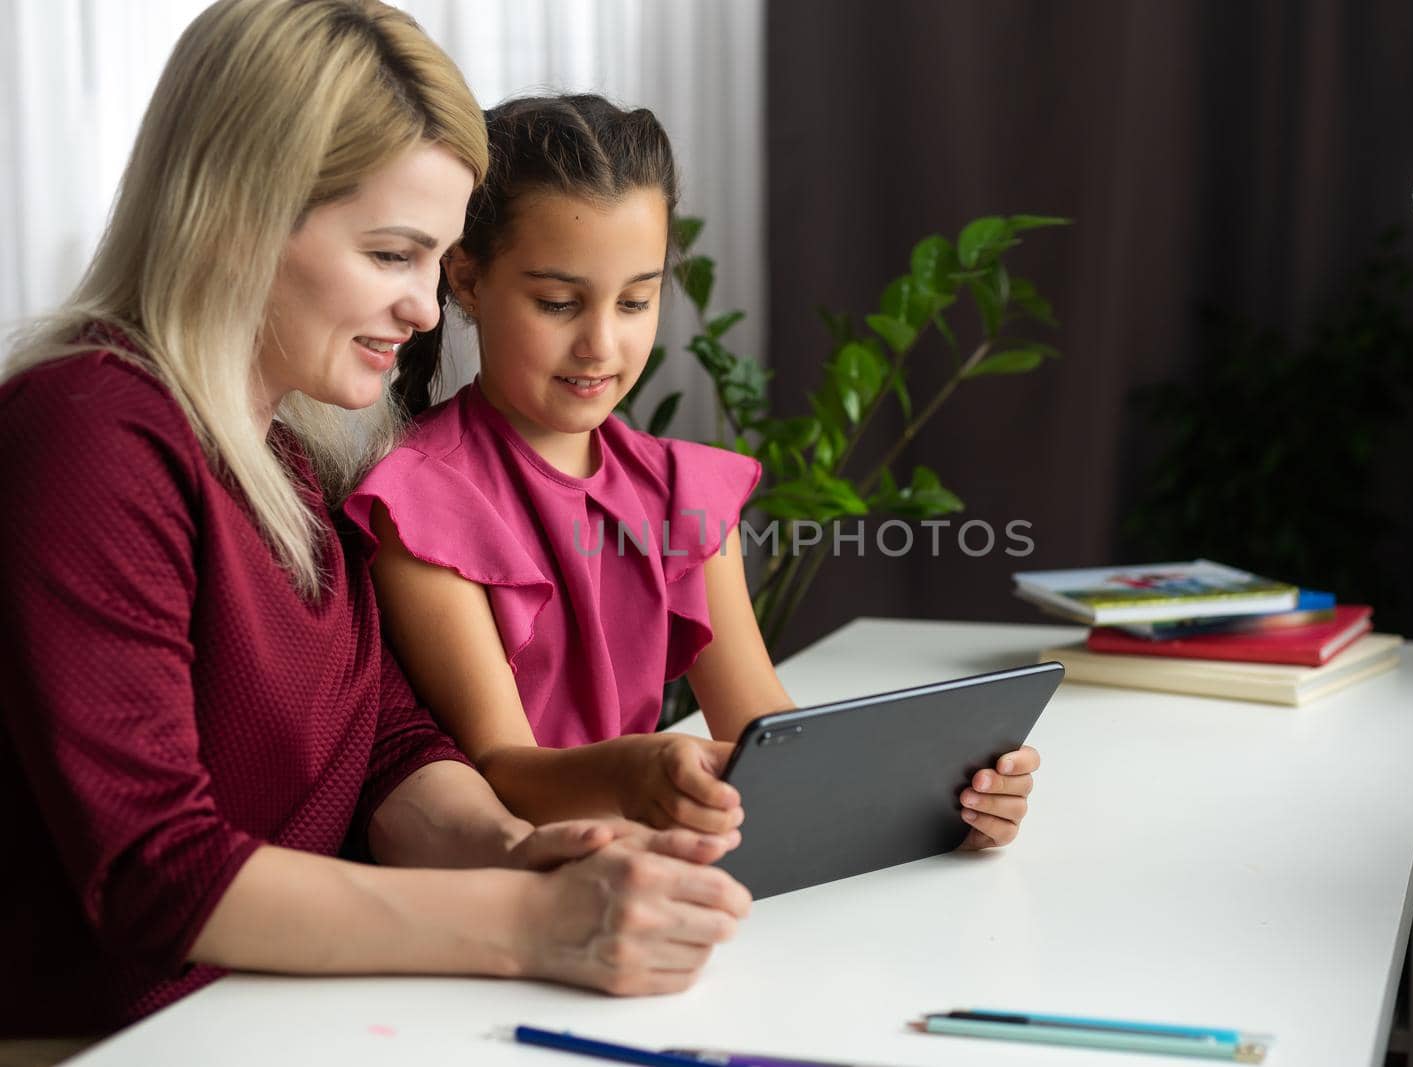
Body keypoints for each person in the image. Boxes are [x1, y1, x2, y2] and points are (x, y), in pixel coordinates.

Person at [0, 2, 750, 1050]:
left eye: (433, 260)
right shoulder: (88, 434)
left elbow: (390, 753)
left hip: (281, 1012)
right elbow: (156, 878)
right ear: (236, 213)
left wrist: (510, 848)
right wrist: (527, 922)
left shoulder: (297, 453)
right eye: (392, 253)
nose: (425, 313)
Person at [345, 94, 1041, 848]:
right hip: (512, 888)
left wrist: (944, 801)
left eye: (637, 300)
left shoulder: (685, 493)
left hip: (657, 867)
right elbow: (503, 772)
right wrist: (644, 771)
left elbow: (764, 730)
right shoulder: (417, 501)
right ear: (469, 280)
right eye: (557, 303)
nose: (601, 344)